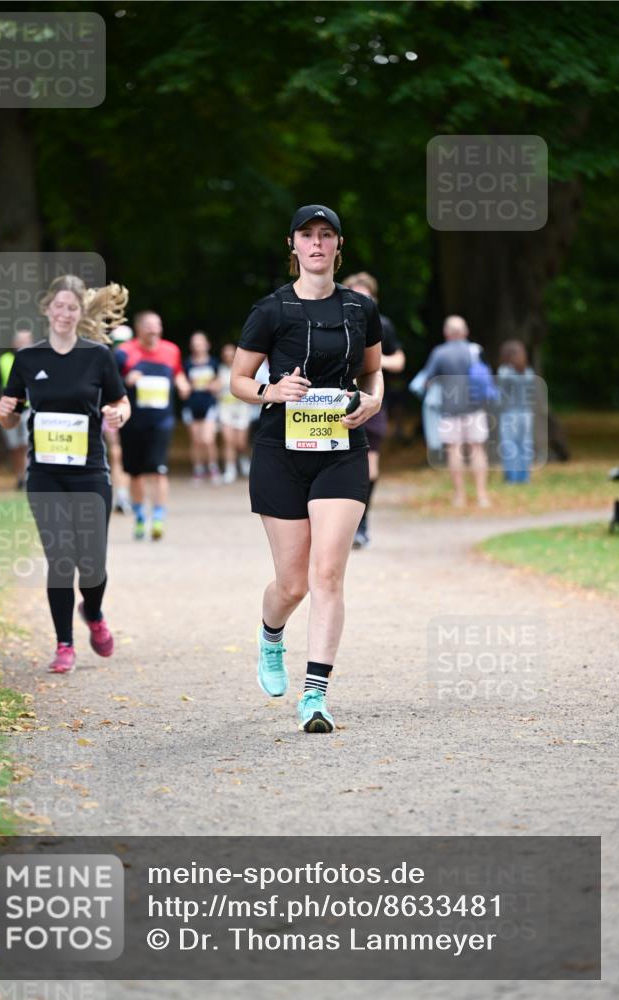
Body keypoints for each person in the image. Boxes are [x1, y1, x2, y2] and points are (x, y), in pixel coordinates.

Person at [231, 204, 383, 733]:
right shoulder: (270, 310)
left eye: (326, 235)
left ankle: (314, 696)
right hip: (281, 453)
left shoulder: (361, 309)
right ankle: (272, 635)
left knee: (328, 573)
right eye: (307, 235)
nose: (317, 243)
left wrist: (373, 401)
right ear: (292, 245)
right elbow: (237, 381)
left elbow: (374, 374)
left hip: (341, 448)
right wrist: (272, 390)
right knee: (292, 584)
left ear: (339, 247)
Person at [0, 275, 131, 674]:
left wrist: (117, 414)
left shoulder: (98, 357)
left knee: (91, 563)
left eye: (72, 307)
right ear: (47, 309)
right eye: (59, 306)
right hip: (44, 476)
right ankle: (64, 644)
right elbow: (9, 416)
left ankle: (93, 611)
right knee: (60, 559)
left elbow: (121, 403)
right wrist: (3, 414)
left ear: (79, 312)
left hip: (90, 473)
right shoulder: (28, 359)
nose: (65, 313)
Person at [342, 272, 405, 548]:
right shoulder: (335, 322)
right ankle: (339, 526)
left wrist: (374, 364)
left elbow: (399, 360)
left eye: (365, 296)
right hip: (337, 403)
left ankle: (362, 523)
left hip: (374, 401)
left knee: (370, 466)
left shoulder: (383, 325)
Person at [115, 312, 190, 540]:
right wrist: (127, 381)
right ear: (139, 329)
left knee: (158, 470)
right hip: (133, 422)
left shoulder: (171, 350)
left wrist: (183, 385)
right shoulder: (124, 353)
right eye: (149, 326)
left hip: (162, 421)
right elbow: (111, 384)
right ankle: (139, 517)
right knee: (135, 473)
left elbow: (177, 373)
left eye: (157, 325)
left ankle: (158, 517)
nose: (154, 330)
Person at [422, 315, 492, 508]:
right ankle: (481, 495)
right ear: (465, 332)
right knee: (477, 449)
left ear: (446, 333)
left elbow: (428, 381)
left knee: (454, 450)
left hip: (449, 409)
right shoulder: (476, 350)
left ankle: (459, 496)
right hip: (475, 407)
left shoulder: (440, 353)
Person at [182, 331, 222, 485]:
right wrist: (186, 387)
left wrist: (214, 386)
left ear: (207, 345)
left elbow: (220, 382)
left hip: (209, 404)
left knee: (208, 439)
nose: (198, 346)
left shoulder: (214, 363)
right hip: (192, 405)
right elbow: (182, 384)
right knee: (196, 440)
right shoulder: (187, 364)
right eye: (195, 344)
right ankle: (198, 470)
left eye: (200, 343)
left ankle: (213, 468)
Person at [0, 328, 33, 489]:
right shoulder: (4, 360)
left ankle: (27, 476)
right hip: (11, 409)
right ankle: (19, 477)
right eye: (21, 340)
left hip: (29, 409)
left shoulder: (37, 360)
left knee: (27, 443)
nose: (23, 343)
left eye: (27, 340)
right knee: (14, 447)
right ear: (14, 343)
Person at [497, 340, 535, 483]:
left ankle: (512, 478)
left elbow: (500, 397)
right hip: (526, 414)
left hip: (510, 413)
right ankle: (525, 477)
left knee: (510, 445)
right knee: (525, 445)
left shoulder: (504, 372)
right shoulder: (529, 372)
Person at [106, 323, 133, 513]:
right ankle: (122, 495)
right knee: (117, 454)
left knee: (125, 455)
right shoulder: (109, 359)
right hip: (111, 412)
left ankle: (125, 495)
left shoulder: (134, 358)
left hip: (131, 413)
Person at [217, 342, 253, 483]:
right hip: (225, 410)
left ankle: (243, 459)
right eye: (226, 355)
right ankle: (230, 469)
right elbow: (213, 386)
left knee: (240, 442)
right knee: (228, 440)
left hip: (242, 410)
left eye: (231, 354)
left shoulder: (243, 371)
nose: (228, 357)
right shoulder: (219, 370)